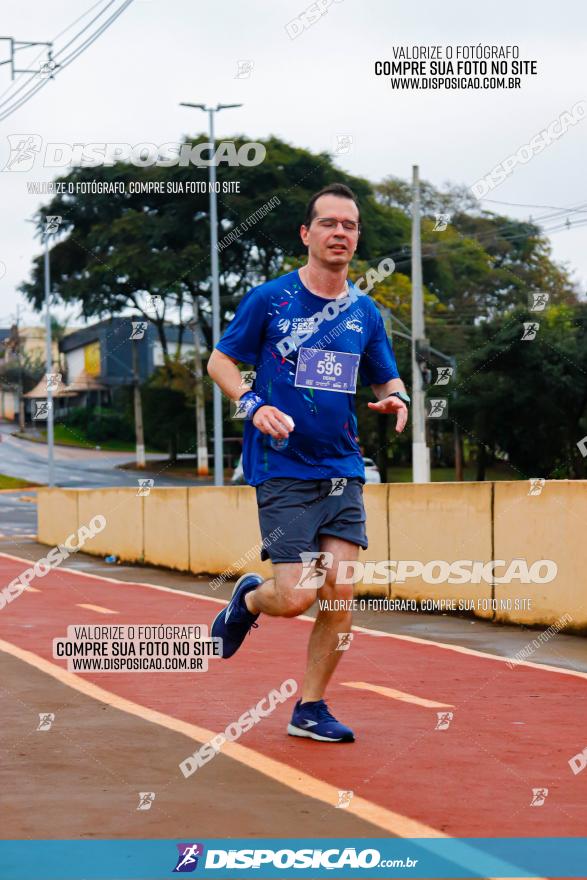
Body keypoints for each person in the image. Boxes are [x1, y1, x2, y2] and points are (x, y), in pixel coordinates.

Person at [207, 183, 409, 742]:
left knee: (338, 590)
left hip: (341, 467)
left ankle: (310, 708)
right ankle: (250, 597)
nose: (340, 232)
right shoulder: (270, 300)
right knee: (296, 595)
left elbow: (384, 375)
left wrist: (398, 397)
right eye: (329, 223)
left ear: (356, 237)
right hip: (282, 468)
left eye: (349, 225)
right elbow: (220, 362)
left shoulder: (364, 312)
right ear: (307, 233)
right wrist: (253, 404)